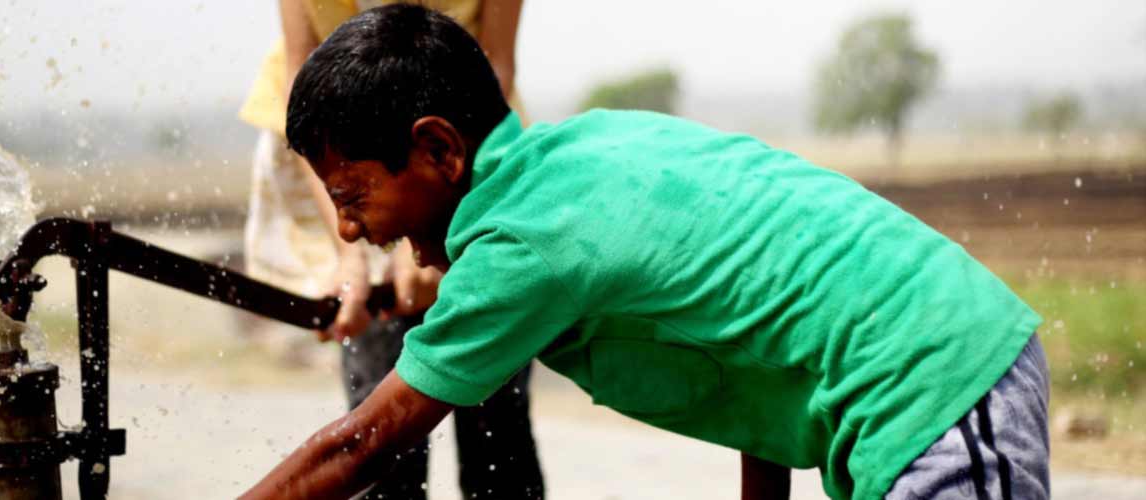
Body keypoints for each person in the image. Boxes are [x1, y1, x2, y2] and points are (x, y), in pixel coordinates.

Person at [240, 5, 1050, 500]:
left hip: (936, 389)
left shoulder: (520, 250)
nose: (349, 230)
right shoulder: (590, 148)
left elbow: (358, 447)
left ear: (440, 152)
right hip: (947, 369)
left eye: (352, 198)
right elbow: (754, 341)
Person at [237, 1, 543, 498]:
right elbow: (302, 72)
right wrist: (350, 250)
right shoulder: (347, 202)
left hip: (458, 157)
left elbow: (496, 63)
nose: (349, 231)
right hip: (340, 159)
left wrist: (425, 226)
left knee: (495, 425)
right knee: (383, 427)